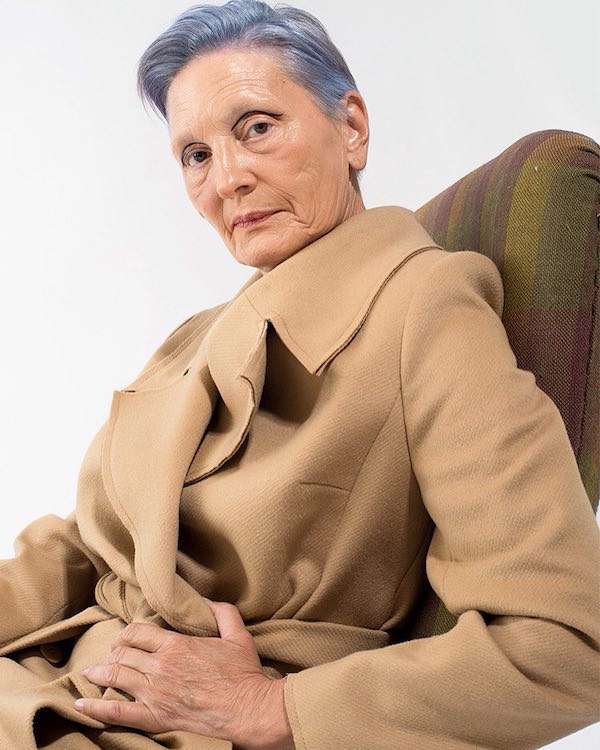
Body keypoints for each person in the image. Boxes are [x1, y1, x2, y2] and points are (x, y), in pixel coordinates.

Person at [1, 1, 598, 748]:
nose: (227, 180)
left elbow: (568, 646)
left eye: (257, 128)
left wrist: (273, 709)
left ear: (352, 127)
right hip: (57, 675)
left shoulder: (425, 308)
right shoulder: (201, 334)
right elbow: (89, 543)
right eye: (196, 155)